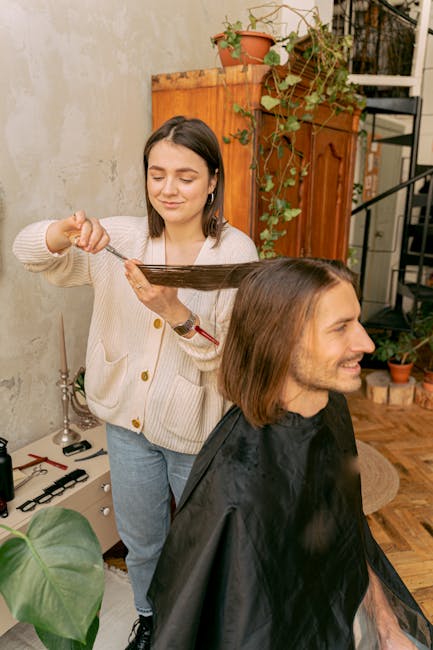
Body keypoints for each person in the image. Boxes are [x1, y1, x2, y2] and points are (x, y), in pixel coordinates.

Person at [12, 115, 259, 650]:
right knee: (143, 542)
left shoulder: (236, 254)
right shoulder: (120, 237)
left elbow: (234, 364)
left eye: (186, 176)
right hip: (125, 427)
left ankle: (202, 628)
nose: (168, 189)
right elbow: (28, 252)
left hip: (198, 433)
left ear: (214, 180)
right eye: (157, 173)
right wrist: (64, 232)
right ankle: (150, 619)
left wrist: (176, 314)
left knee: (204, 547)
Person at [147, 257, 433, 650]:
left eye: (357, 321)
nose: (367, 344)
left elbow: (349, 530)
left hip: (347, 614)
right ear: (281, 339)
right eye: (340, 328)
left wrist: (385, 625)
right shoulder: (237, 486)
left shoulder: (331, 410)